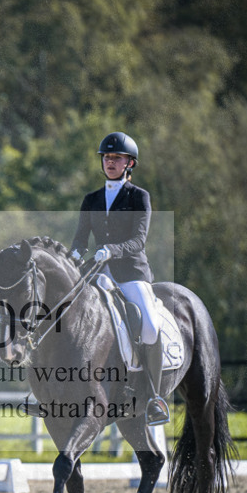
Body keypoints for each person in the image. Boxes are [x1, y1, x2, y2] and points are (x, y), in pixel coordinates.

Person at [70, 131, 169, 426]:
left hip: (131, 274)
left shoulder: (139, 197)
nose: (110, 162)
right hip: (97, 275)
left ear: (130, 163)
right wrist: (74, 256)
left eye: (117, 158)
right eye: (107, 157)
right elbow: (79, 240)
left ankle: (153, 397)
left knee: (149, 326)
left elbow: (139, 240)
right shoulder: (91, 200)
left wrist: (111, 250)